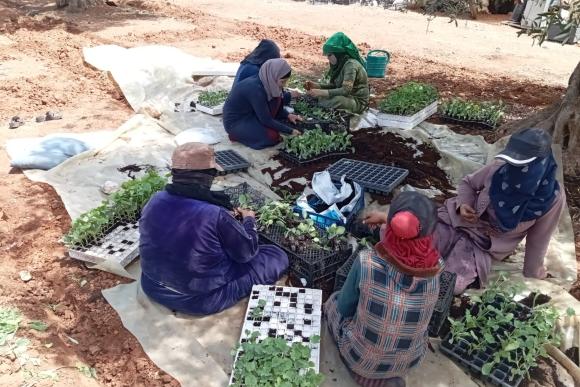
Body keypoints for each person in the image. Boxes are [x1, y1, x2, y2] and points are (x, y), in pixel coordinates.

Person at [139, 142, 289, 315]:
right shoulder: (214, 214)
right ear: (207, 176)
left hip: (151, 285)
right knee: (275, 255)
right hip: (201, 300)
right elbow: (246, 254)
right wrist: (248, 219)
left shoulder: (155, 199)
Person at [325, 191, 442, 387]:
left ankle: (368, 378)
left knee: (334, 303)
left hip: (363, 360)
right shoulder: (437, 268)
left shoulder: (367, 262)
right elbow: (410, 235)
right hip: (411, 360)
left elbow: (345, 308)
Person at [435, 128, 565, 295]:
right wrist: (463, 205)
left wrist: (533, 274)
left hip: (483, 244)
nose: (513, 169)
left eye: (521, 165)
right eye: (511, 163)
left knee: (450, 284)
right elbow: (468, 183)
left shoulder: (551, 198)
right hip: (457, 222)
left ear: (539, 165)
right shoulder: (500, 169)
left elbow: (538, 240)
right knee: (413, 247)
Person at [223, 58, 302, 150]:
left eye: (285, 81)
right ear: (273, 75)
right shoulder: (255, 89)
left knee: (277, 98)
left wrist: (288, 115)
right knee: (272, 136)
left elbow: (276, 104)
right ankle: (236, 135)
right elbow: (266, 119)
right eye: (282, 82)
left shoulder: (267, 81)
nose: (284, 85)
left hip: (252, 115)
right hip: (236, 122)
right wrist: (291, 131)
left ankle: (251, 130)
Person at [305, 32, 369, 114]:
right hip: (347, 97)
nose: (328, 58)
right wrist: (317, 86)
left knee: (337, 100)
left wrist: (321, 92)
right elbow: (335, 86)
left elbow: (346, 90)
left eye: (330, 55)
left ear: (338, 54)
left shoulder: (351, 65)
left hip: (357, 102)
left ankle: (317, 104)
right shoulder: (340, 64)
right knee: (324, 97)